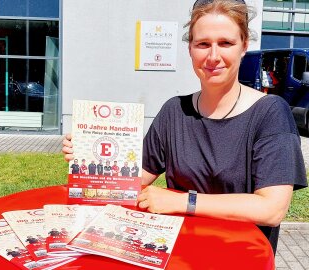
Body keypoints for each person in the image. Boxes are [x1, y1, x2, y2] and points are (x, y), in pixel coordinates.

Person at [62, 0, 307, 255]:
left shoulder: (270, 113)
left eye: (225, 43)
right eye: (202, 44)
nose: (213, 56)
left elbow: (271, 209)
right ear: (190, 48)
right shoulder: (174, 111)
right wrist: (92, 155)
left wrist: (184, 201)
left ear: (244, 46)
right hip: (178, 255)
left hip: (240, 257)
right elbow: (131, 182)